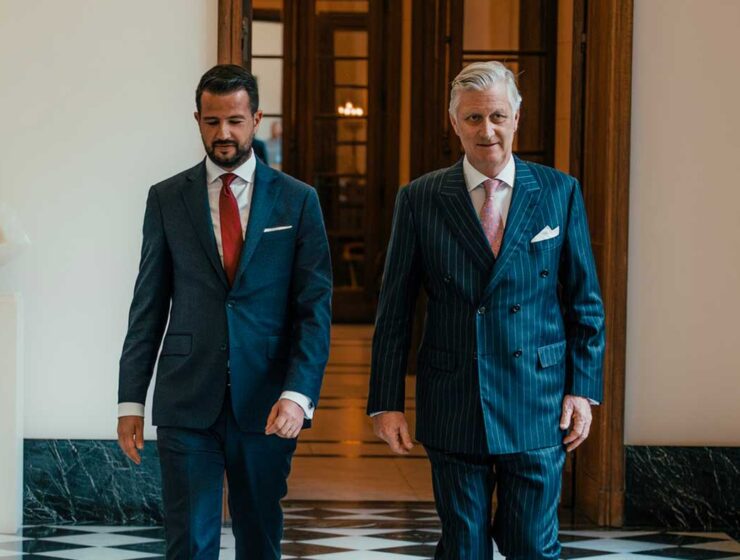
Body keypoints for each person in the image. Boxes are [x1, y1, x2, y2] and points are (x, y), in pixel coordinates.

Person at [367, 61, 605, 559]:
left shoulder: (559, 191)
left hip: (538, 401)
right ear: (454, 122)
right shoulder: (421, 198)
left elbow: (585, 302)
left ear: (517, 117)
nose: (487, 130)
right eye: (473, 118)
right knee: (464, 549)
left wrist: (582, 390)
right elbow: (395, 311)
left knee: (533, 546)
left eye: (497, 116)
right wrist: (386, 402)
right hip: (455, 397)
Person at [117, 64, 332, 560]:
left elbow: (314, 310)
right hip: (187, 398)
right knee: (189, 544)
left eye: (235, 121)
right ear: (197, 119)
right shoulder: (167, 198)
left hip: (269, 402)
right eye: (212, 121)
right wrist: (131, 400)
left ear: (256, 118)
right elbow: (147, 305)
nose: (224, 133)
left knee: (259, 540)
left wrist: (298, 394)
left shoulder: (298, 201)